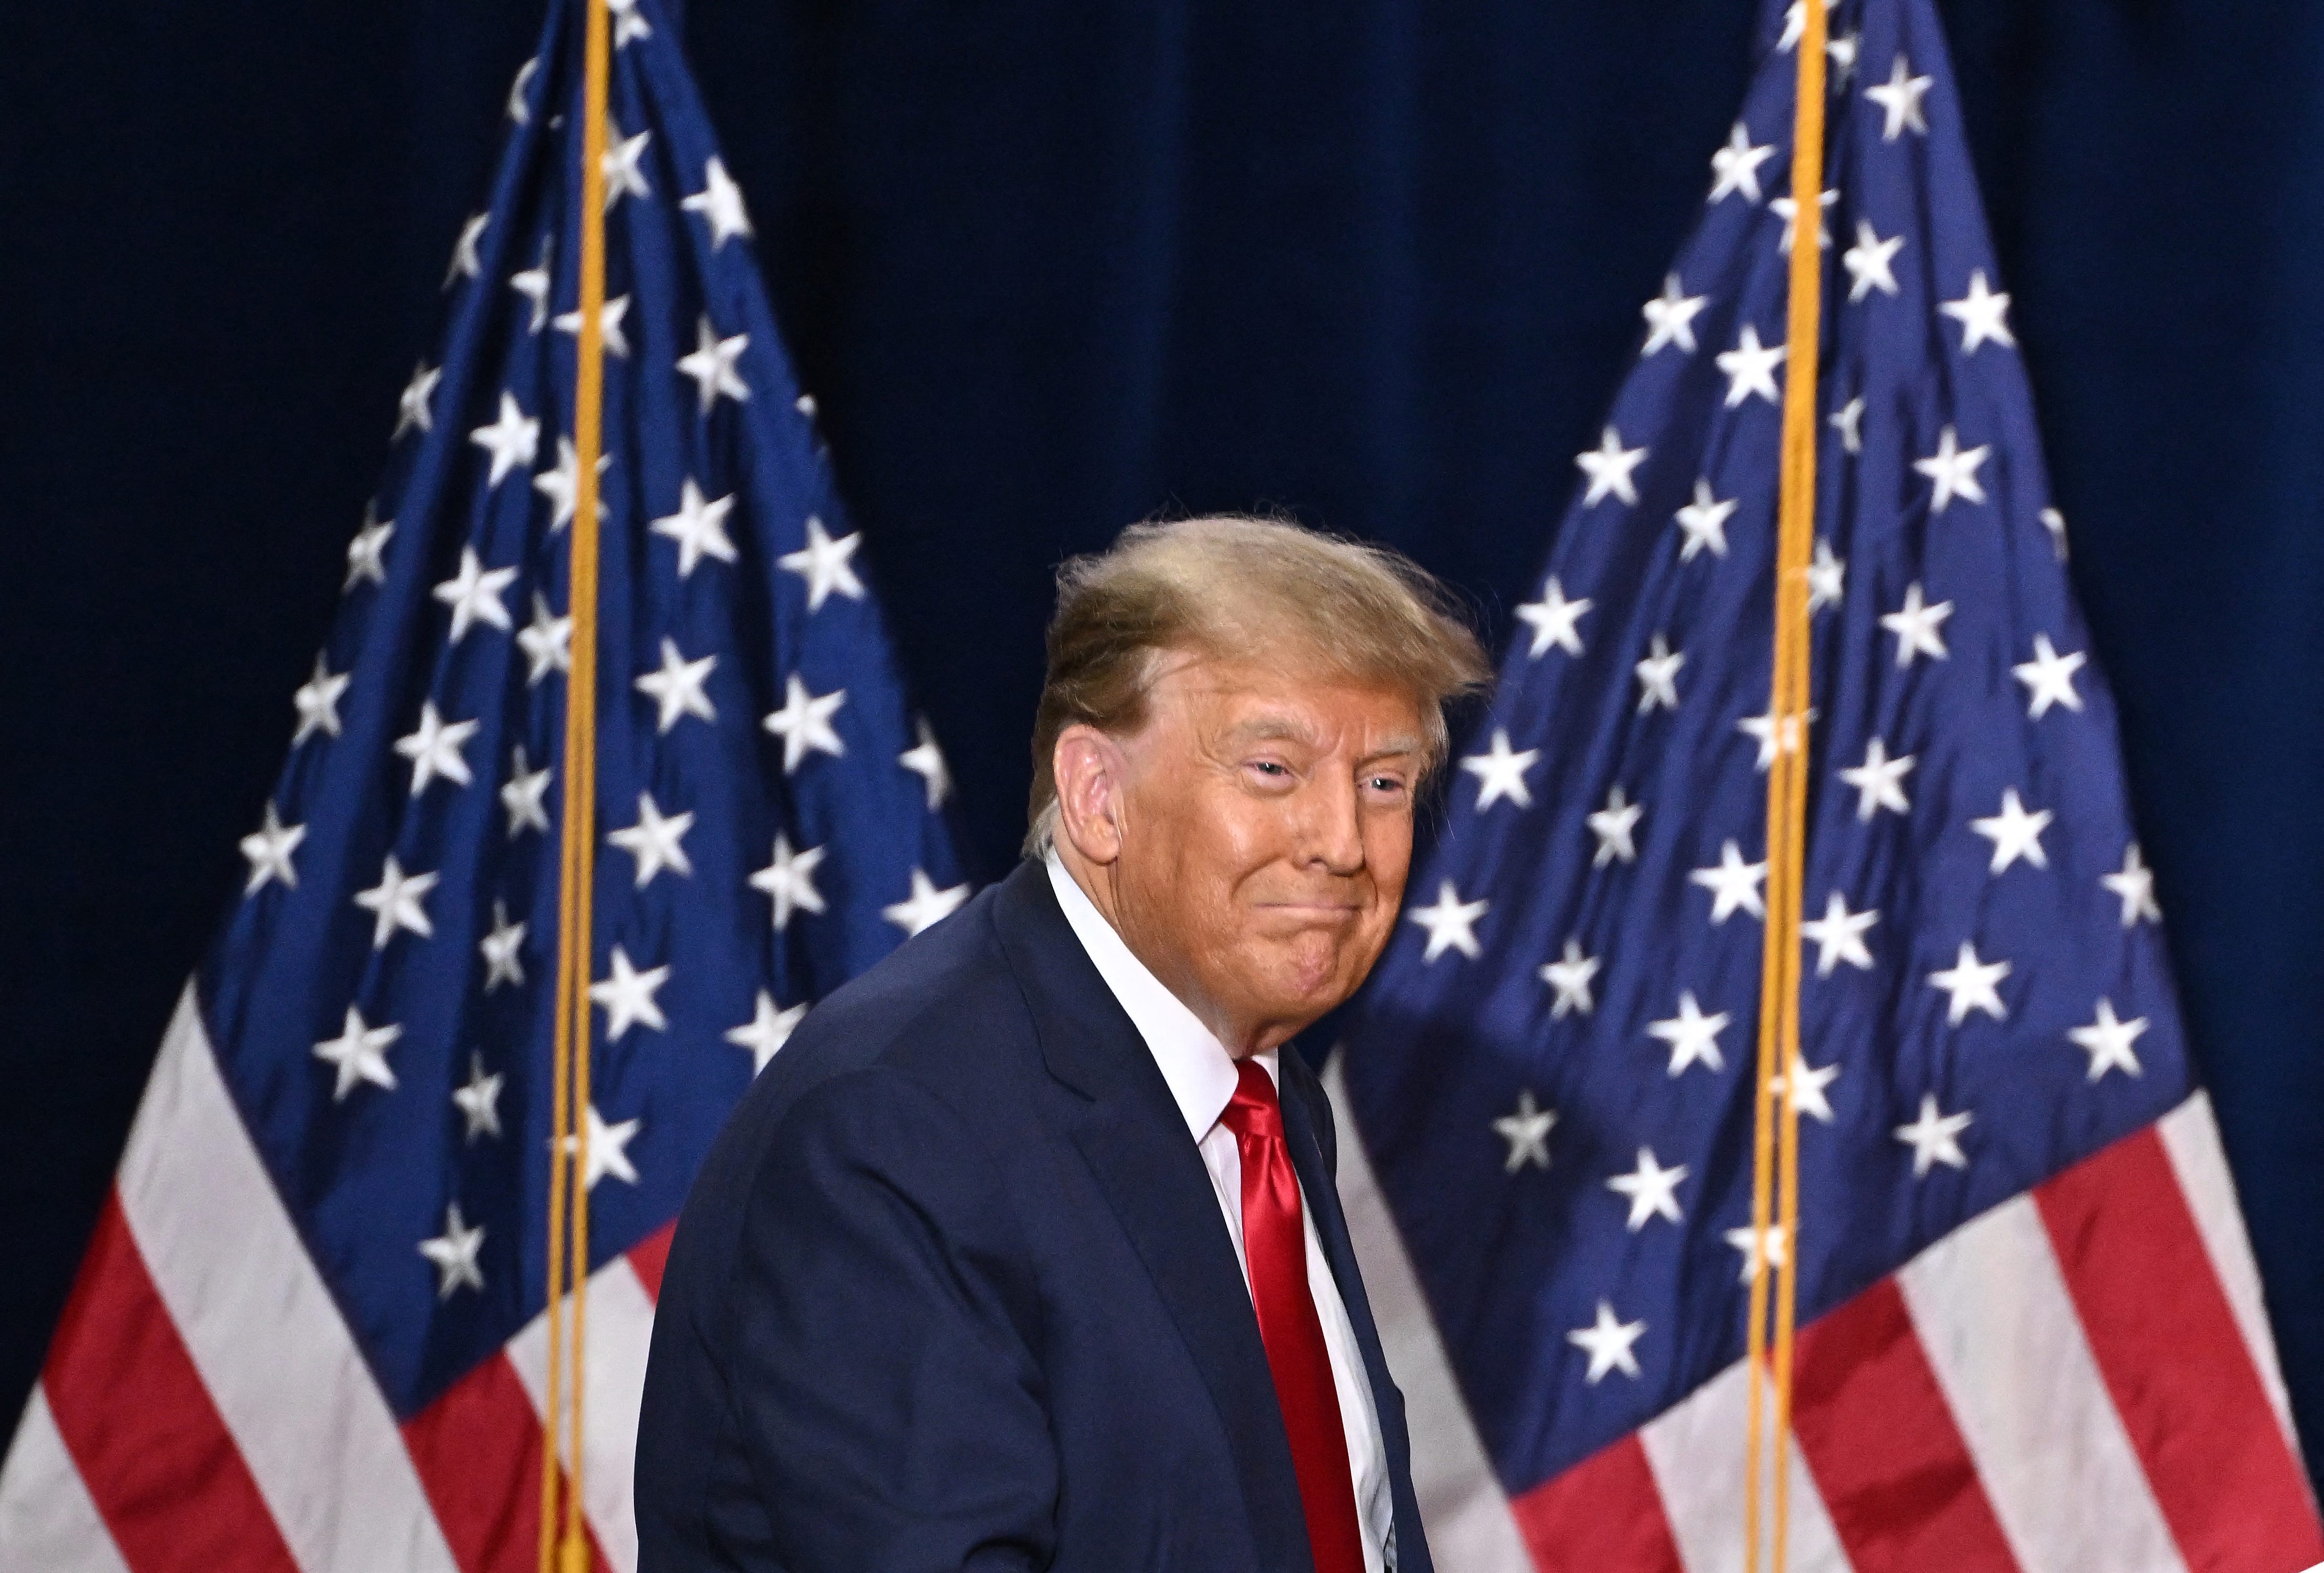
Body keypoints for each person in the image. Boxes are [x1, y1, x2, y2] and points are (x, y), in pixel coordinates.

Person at [636, 515, 1490, 1572]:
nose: (1343, 842)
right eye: (1274, 766)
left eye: (1385, 782)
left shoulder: (1259, 1091)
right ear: (1097, 795)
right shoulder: (892, 1130)